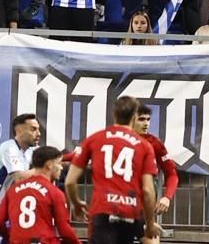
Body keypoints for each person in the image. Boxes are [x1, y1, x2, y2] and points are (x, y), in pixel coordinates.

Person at [64, 95, 159, 244]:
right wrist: (150, 223)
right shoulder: (144, 145)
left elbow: (70, 181)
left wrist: (76, 203)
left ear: (113, 114)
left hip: (103, 209)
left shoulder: (95, 139)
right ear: (134, 116)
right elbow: (148, 190)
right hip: (130, 211)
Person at [0, 114, 41, 244]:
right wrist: (42, 169)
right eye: (33, 129)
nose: (38, 133)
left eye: (39, 129)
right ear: (19, 130)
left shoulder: (28, 151)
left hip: (7, 211)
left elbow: (52, 157)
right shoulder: (9, 148)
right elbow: (19, 178)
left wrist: (76, 156)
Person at [0, 146, 79, 244]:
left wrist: (10, 237)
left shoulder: (13, 190)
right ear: (49, 165)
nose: (61, 167)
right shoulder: (54, 192)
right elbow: (64, 231)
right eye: (59, 163)